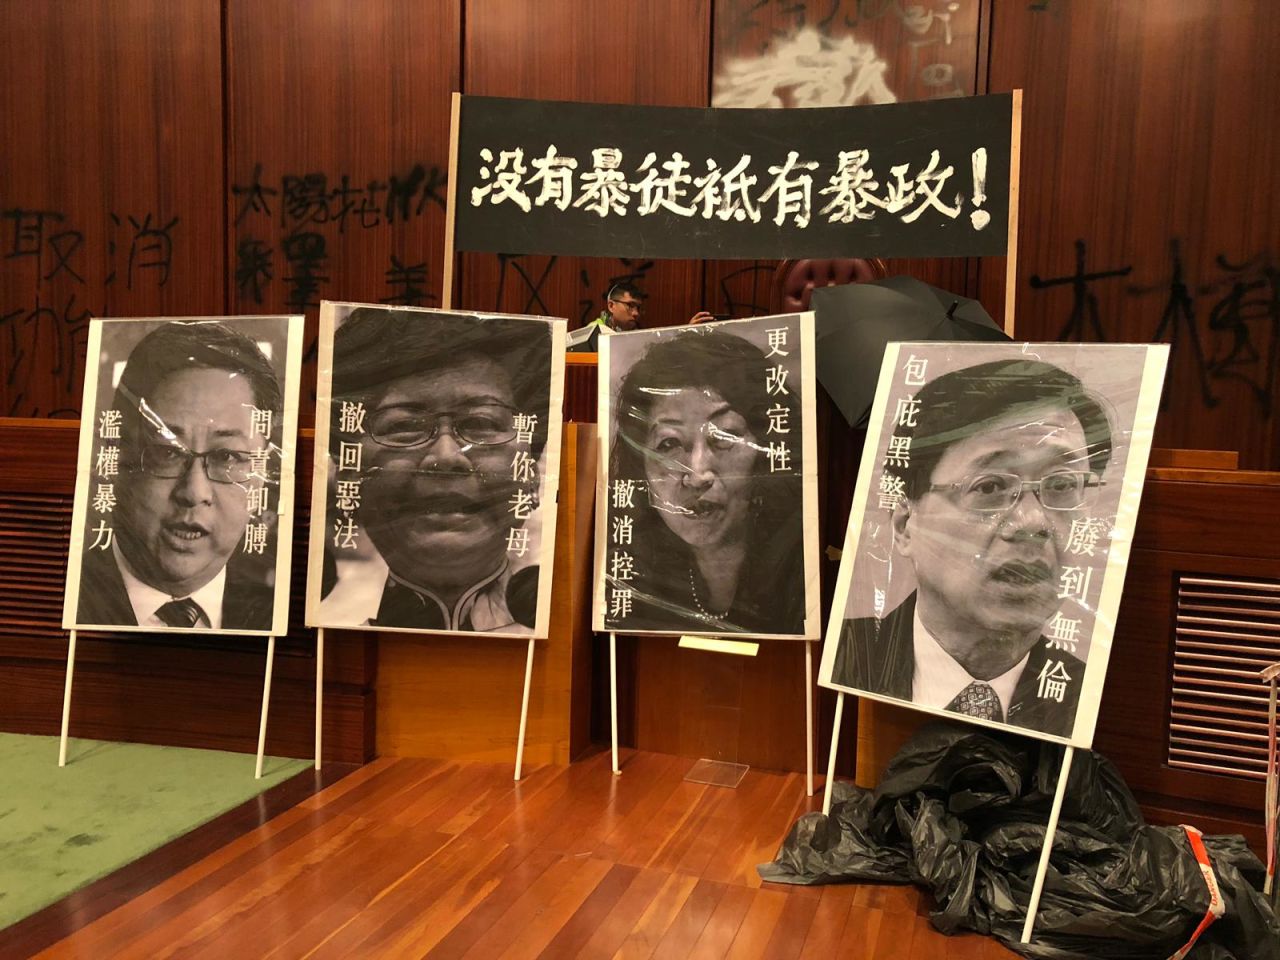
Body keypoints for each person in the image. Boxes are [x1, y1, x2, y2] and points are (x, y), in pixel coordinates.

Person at [830, 359, 1114, 737]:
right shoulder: (843, 662)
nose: (1033, 523)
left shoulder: (1100, 700)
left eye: (1061, 485)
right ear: (904, 525)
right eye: (990, 487)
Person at [317, 307, 552, 634]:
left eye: (482, 423)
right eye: (404, 426)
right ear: (348, 472)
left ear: (532, 475)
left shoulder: (569, 630)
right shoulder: (316, 639)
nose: (446, 457)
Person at [76, 321, 282, 631]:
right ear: (118, 456)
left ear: (263, 471)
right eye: (167, 452)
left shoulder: (280, 607)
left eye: (226, 456)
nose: (193, 492)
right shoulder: (65, 597)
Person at [604, 328, 805, 635]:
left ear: (766, 451)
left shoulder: (803, 573)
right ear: (639, 467)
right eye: (668, 444)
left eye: (723, 437)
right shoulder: (627, 580)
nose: (697, 475)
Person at [566, 282, 646, 352]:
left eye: (638, 308)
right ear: (611, 306)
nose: (636, 313)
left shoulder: (639, 337)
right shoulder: (594, 333)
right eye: (630, 306)